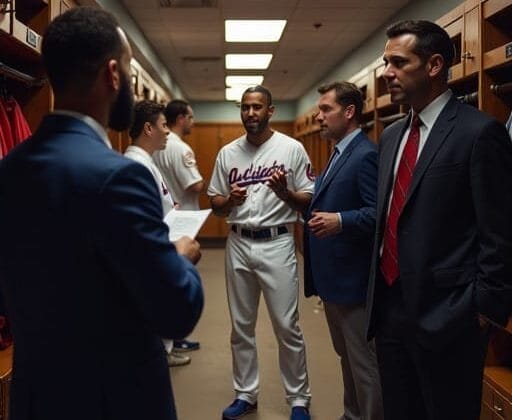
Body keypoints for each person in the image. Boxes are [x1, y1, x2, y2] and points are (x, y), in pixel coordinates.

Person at [0, 7, 204, 420]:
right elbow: (176, 309)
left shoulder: (10, 169)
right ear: (113, 75)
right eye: (129, 73)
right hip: (114, 401)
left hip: (37, 399)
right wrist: (181, 258)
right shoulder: (119, 177)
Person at [366, 20, 512, 420]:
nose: (387, 73)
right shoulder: (392, 136)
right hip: (390, 309)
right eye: (385, 62)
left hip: (451, 316)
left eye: (398, 62)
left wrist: (483, 310)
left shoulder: (480, 133)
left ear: (433, 65)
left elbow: (499, 232)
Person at [208, 85, 314, 420]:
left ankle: (298, 399)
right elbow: (216, 204)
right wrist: (230, 201)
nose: (250, 113)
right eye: (245, 108)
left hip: (277, 242)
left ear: (270, 111)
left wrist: (284, 192)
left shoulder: (292, 148)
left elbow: (308, 199)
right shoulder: (227, 153)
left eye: (257, 107)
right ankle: (245, 394)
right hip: (238, 242)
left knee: (286, 325)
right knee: (241, 326)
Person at [304, 81, 383, 420]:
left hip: (353, 283)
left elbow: (379, 213)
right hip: (334, 282)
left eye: (326, 110)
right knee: (346, 357)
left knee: (364, 364)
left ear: (349, 112)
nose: (319, 117)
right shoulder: (338, 152)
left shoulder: (365, 155)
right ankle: (351, 415)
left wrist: (341, 220)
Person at [125, 100, 192, 367]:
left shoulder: (147, 162)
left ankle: (163, 351)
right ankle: (158, 355)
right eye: (164, 125)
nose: (167, 131)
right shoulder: (136, 165)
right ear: (148, 129)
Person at [153, 99, 204, 352]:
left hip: (162, 220)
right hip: (183, 221)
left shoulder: (155, 146)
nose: (192, 123)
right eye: (191, 118)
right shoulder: (180, 148)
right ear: (181, 118)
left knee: (163, 281)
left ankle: (170, 338)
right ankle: (173, 339)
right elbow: (194, 185)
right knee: (179, 280)